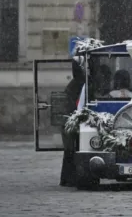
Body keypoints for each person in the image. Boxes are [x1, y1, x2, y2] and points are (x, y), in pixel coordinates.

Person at [60, 58, 86, 186]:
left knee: (70, 151)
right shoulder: (79, 84)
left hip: (70, 120)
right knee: (71, 150)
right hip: (71, 121)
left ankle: (68, 178)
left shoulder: (75, 84)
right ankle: (70, 178)